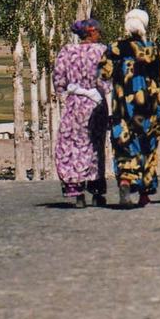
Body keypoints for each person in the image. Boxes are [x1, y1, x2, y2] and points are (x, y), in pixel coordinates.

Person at [100, 9, 160, 208]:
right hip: (149, 109)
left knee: (124, 146)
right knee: (148, 146)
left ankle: (126, 183)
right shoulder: (152, 48)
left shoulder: (114, 48)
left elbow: (103, 74)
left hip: (122, 108)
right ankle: (145, 194)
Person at [53, 18, 111, 208]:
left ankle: (77, 191)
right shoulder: (102, 51)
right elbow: (107, 80)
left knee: (74, 146)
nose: (99, 35)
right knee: (95, 146)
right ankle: (96, 190)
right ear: (91, 32)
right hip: (96, 105)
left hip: (74, 105)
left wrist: (71, 91)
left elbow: (59, 81)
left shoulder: (66, 52)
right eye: (98, 32)